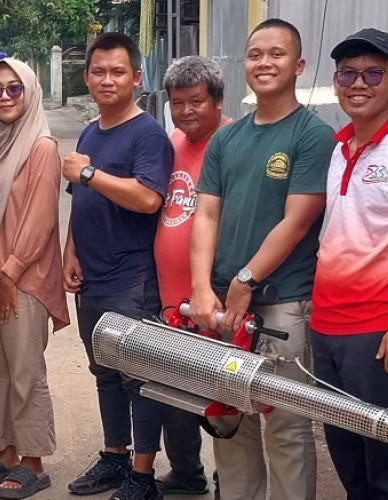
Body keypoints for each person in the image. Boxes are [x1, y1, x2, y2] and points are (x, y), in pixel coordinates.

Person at [188, 19, 335, 500]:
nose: (264, 62)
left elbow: (297, 221)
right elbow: (206, 214)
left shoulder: (312, 135)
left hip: (279, 306)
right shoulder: (227, 139)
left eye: (276, 54)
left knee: (285, 425)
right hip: (225, 306)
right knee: (229, 419)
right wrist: (200, 287)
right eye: (255, 54)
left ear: (298, 66)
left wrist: (248, 277)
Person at [61, 32, 172, 500]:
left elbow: (149, 198)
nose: (108, 80)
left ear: (137, 77)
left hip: (133, 279)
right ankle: (114, 456)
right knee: (104, 370)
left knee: (137, 375)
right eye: (99, 72)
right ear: (86, 78)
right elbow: (81, 202)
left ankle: (142, 476)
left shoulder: (147, 134)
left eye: (118, 71)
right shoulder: (91, 131)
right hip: (94, 275)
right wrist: (70, 252)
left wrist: (88, 172)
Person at [0, 58, 69, 499]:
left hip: (21, 278)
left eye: (14, 89)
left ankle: (33, 460)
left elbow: (41, 219)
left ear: (29, 94)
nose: (5, 97)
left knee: (26, 371)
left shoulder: (41, 147)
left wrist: (10, 271)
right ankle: (6, 451)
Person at [310, 28, 388, 499]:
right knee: (344, 449)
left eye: (373, 73)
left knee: (385, 458)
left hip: (377, 331)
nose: (358, 83)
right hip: (326, 327)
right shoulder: (339, 148)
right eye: (347, 72)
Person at [152, 55, 231, 497]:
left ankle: (230, 478)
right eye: (178, 102)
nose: (186, 112)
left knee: (222, 399)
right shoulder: (172, 142)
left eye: (196, 101)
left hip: (213, 298)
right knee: (171, 395)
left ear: (217, 99)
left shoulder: (235, 139)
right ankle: (186, 472)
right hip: (169, 296)